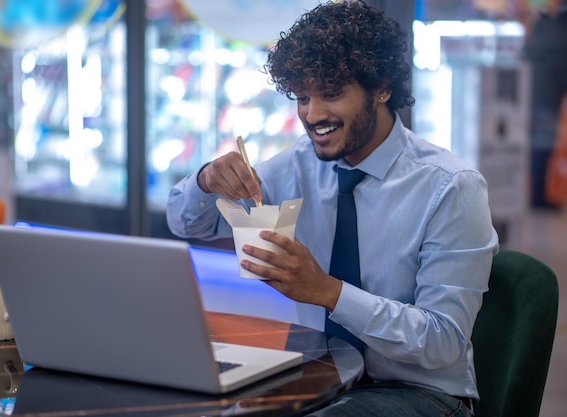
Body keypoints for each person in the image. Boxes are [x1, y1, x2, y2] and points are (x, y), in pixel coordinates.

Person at [167, 1, 499, 416]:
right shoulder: (295, 165)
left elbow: (442, 342)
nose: (312, 114)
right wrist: (205, 180)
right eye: (302, 97)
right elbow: (186, 222)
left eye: (331, 94)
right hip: (314, 375)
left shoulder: (450, 187)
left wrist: (327, 291)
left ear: (382, 87)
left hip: (417, 391)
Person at [523, 1, 567, 208]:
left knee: (537, 146)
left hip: (530, 95)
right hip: (546, 98)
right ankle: (537, 197)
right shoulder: (561, 32)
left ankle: (534, 194)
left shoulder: (542, 27)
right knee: (542, 146)